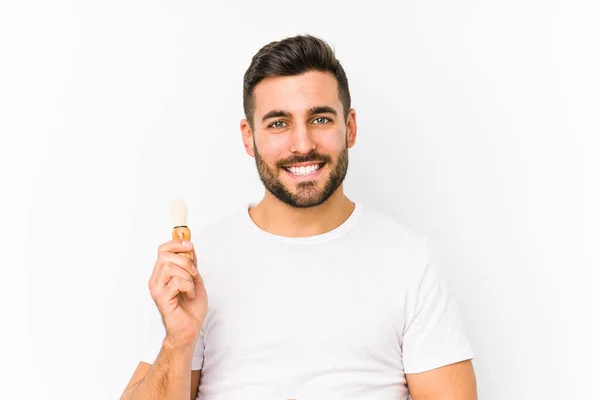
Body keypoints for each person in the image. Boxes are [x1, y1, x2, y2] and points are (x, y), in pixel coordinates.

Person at [120, 34, 477, 400]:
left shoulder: (410, 260)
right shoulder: (198, 265)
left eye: (320, 119)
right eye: (278, 123)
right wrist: (178, 341)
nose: (303, 145)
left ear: (350, 127)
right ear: (249, 137)